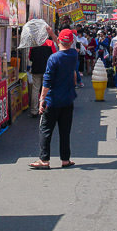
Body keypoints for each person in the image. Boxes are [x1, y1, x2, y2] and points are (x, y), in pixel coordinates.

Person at [29, 28, 80, 169]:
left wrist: (41, 101)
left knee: (45, 130)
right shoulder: (73, 55)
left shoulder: (54, 58)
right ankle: (65, 159)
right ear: (71, 42)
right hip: (67, 100)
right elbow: (64, 43)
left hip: (52, 100)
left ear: (59, 41)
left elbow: (47, 82)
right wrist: (52, 34)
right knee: (65, 131)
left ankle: (44, 160)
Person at [28, 35, 55, 117]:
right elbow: (54, 56)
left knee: (35, 89)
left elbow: (30, 57)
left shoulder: (33, 44)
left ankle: (34, 110)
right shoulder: (50, 43)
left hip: (36, 69)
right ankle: (46, 108)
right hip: (47, 70)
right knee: (47, 88)